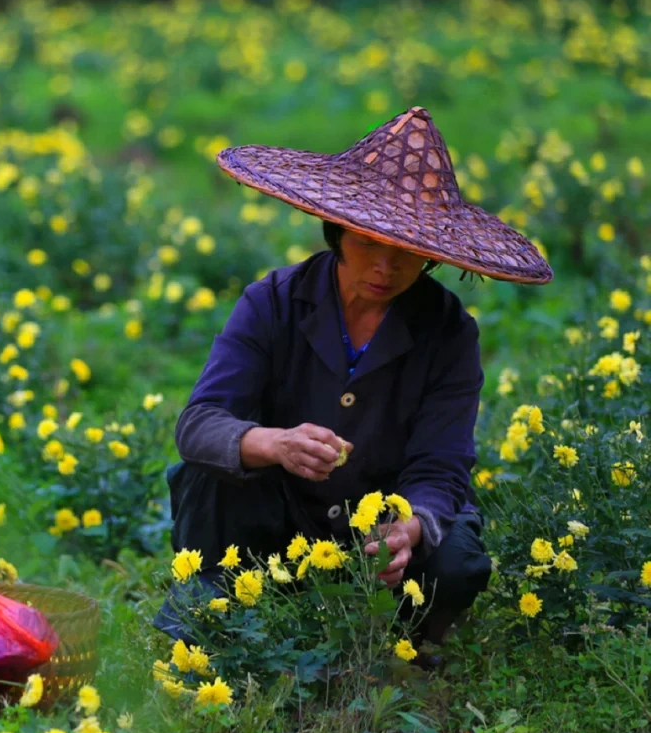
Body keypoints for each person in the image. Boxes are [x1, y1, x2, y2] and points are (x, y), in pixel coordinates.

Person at [155, 105, 553, 654]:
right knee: (208, 475)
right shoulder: (273, 302)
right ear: (337, 230)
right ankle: (217, 617)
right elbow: (198, 425)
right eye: (369, 242)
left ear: (432, 254)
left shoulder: (450, 332)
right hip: (282, 511)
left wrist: (409, 529)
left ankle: (388, 638)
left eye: (406, 252)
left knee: (456, 563)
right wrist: (275, 443)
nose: (385, 269)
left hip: (378, 529)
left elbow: (441, 467)